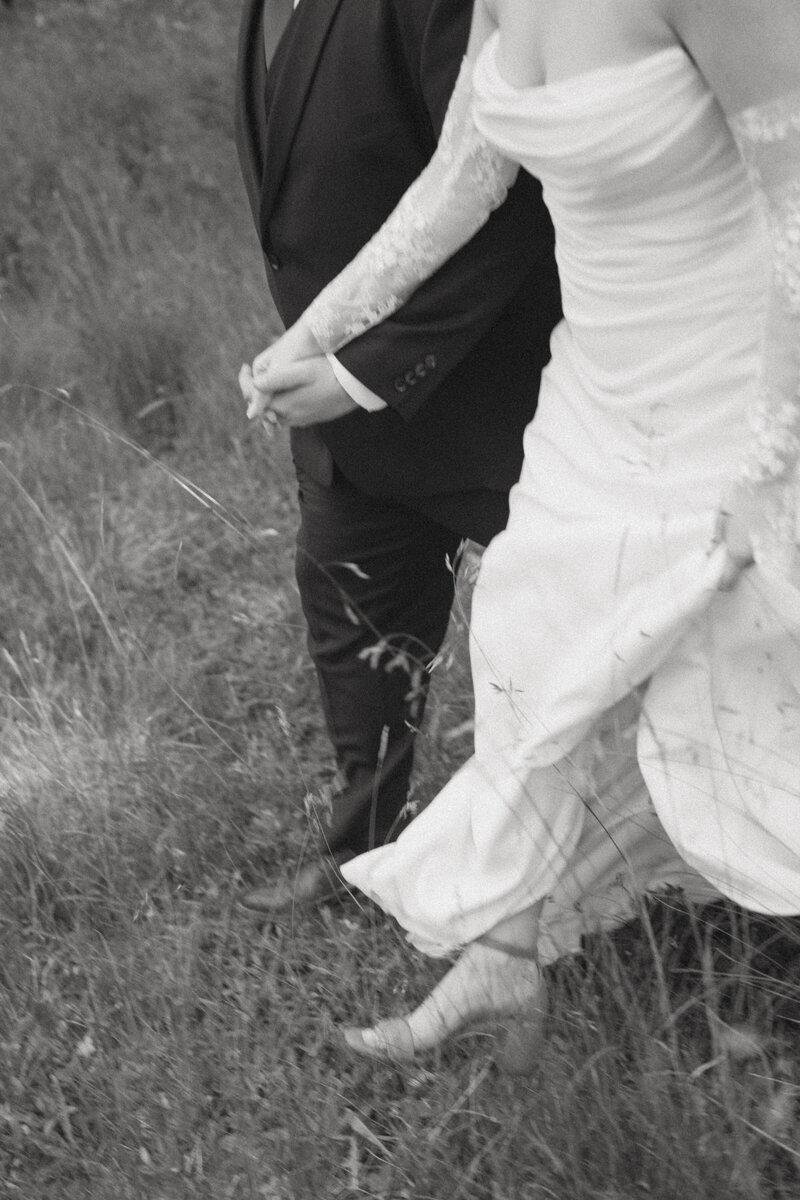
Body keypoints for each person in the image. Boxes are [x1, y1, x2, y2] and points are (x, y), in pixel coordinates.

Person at [244, 0, 800, 1063]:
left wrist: (766, 470)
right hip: (599, 385)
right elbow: (460, 178)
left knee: (742, 705)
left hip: (735, 391)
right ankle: (504, 961)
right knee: (535, 650)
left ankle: (771, 1004)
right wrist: (313, 338)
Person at [234, 0, 561, 913]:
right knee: (348, 612)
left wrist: (364, 370)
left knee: (570, 643)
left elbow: (511, 185)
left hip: (498, 393)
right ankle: (363, 855)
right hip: (345, 411)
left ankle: (586, 869)